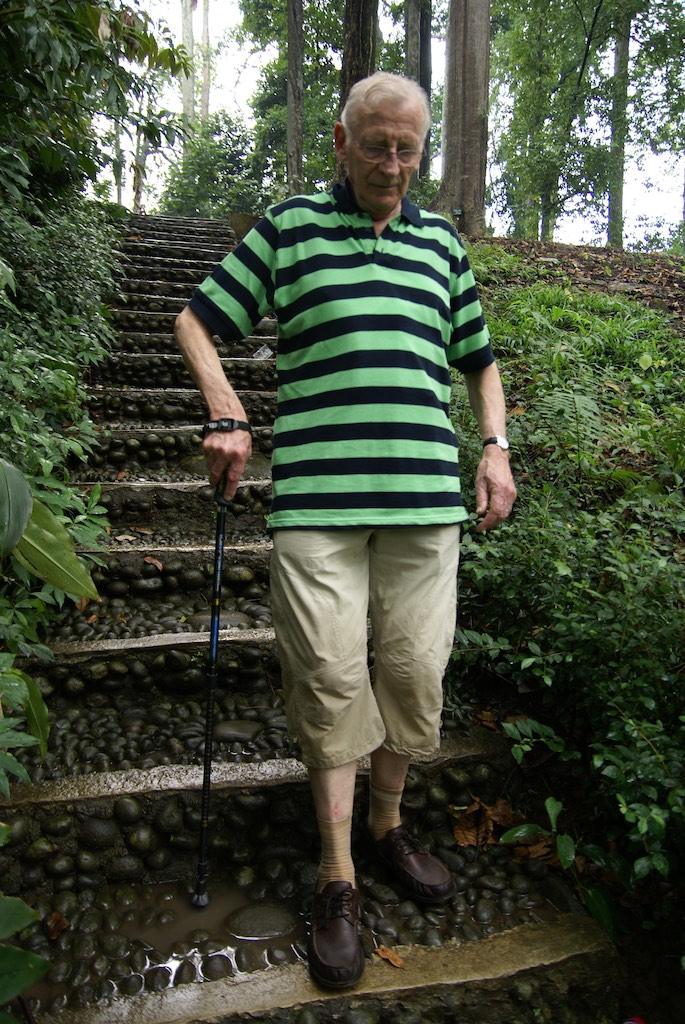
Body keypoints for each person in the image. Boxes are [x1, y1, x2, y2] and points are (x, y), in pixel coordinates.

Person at [175, 71, 516, 990]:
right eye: (376, 145)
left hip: (423, 509)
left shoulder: (440, 244)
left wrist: (494, 448)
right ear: (340, 140)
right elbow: (196, 321)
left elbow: (480, 362)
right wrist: (225, 407)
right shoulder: (289, 229)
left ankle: (386, 825)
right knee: (328, 680)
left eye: (408, 149)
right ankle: (336, 876)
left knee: (413, 674)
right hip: (318, 509)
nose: (392, 165)